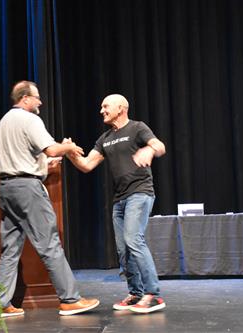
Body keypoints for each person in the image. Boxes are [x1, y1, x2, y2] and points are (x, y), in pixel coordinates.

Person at [0, 80, 100, 318]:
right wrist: (68, 147)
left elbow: (19, 156)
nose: (40, 101)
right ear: (25, 98)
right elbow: (51, 149)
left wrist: (44, 164)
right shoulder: (30, 119)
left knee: (10, 248)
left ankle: (0, 303)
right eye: (37, 97)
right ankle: (70, 299)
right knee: (49, 242)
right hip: (27, 189)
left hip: (6, 188)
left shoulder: (3, 122)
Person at [65, 94, 166, 314]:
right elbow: (86, 165)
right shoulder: (105, 138)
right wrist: (70, 152)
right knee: (123, 251)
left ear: (122, 108)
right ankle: (136, 293)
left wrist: (149, 149)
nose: (101, 110)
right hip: (119, 200)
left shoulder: (138, 128)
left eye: (105, 106)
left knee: (133, 240)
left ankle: (153, 295)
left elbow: (159, 146)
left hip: (140, 193)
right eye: (101, 106)